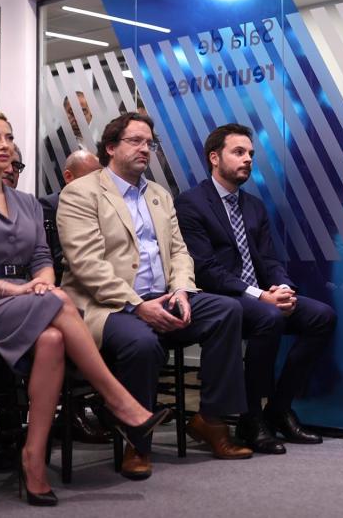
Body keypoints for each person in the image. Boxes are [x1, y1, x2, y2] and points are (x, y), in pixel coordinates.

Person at [0, 111, 165, 506]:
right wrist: (15, 290)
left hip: (25, 302)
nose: (4, 145)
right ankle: (119, 401)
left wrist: (42, 281)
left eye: (8, 136)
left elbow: (43, 258)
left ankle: (33, 458)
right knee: (58, 302)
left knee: (55, 338)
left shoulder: (26, 202)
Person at [57, 112, 251, 480]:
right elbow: (86, 265)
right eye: (136, 141)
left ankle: (211, 420)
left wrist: (180, 289)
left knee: (227, 310)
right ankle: (137, 442)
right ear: (111, 147)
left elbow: (179, 252)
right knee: (143, 344)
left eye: (150, 142)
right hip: (107, 306)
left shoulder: (160, 195)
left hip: (161, 298)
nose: (146, 148)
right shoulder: (81, 193)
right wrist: (137, 304)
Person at [175, 124, 337, 453]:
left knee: (322, 316)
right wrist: (261, 296)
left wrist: (284, 289)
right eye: (239, 152)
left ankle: (278, 408)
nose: (248, 159)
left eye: (251, 154)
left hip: (261, 296)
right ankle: (250, 418)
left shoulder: (254, 206)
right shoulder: (191, 203)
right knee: (268, 317)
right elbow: (206, 270)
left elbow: (269, 258)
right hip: (221, 298)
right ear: (214, 158)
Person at [37, 149, 110, 445]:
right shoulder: (48, 206)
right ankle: (76, 407)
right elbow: (54, 256)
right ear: (69, 177)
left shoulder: (105, 205)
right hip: (65, 283)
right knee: (76, 315)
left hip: (98, 282)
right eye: (91, 178)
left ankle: (109, 402)